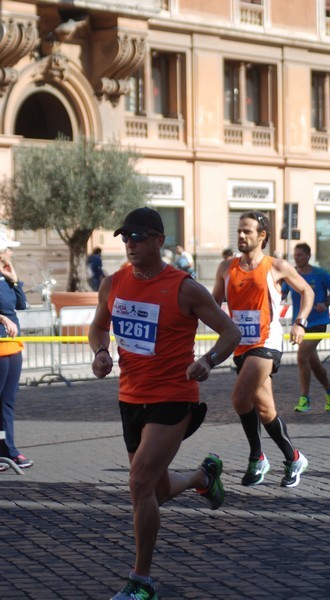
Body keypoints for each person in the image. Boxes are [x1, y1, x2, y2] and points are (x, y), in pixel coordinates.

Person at [89, 207, 240, 600]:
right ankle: (200, 479)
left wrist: (207, 361)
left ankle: (141, 582)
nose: (130, 245)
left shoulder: (184, 286)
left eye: (138, 238)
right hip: (130, 398)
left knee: (138, 484)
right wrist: (101, 352)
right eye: (126, 238)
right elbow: (98, 325)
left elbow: (230, 332)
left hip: (174, 398)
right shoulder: (114, 283)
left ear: (159, 239)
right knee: (152, 492)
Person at [212, 211, 314, 489]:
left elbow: (307, 291)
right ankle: (294, 458)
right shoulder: (226, 267)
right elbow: (213, 303)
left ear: (262, 236)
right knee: (266, 410)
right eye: (239, 232)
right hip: (239, 345)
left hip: (266, 344)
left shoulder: (276, 266)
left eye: (247, 231)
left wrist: (300, 322)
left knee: (239, 398)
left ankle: (257, 457)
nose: (241, 236)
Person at [282, 242, 330, 413]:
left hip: (318, 323)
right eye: (295, 255)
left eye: (300, 255)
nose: (296, 258)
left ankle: (304, 398)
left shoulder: (320, 274)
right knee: (313, 363)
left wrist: (326, 303)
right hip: (300, 324)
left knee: (301, 357)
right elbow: (283, 292)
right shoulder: (292, 274)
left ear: (308, 256)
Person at [0, 232, 32, 472]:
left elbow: (21, 305)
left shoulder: (5, 277)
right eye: (9, 248)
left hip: (12, 346)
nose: (11, 252)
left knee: (8, 401)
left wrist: (14, 280)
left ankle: (8, 450)